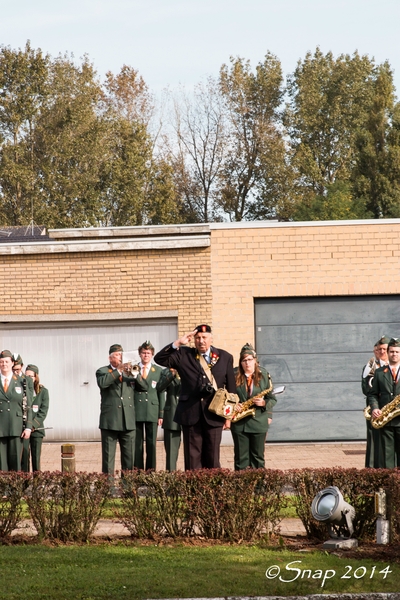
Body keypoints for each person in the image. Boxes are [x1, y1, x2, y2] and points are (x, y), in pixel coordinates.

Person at [154, 324, 236, 470]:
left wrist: (228, 417)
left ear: (211, 338)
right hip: (190, 414)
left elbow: (232, 390)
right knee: (192, 458)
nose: (201, 341)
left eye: (204, 337)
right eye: (197, 338)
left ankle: (212, 491)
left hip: (214, 414)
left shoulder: (225, 357)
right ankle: (193, 491)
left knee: (213, 458)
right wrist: (178, 343)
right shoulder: (184, 355)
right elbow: (159, 359)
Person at [229, 343, 277, 470]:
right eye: (244, 360)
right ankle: (242, 488)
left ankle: (259, 488)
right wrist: (234, 404)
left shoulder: (264, 375)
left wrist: (264, 404)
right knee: (240, 458)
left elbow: (272, 398)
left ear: (255, 360)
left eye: (250, 359)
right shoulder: (233, 374)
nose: (247, 363)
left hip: (258, 422)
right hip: (240, 423)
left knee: (258, 458)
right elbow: (225, 395)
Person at [96, 344, 137, 474]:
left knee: (129, 457)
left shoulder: (129, 372)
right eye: (117, 354)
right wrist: (118, 370)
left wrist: (137, 374)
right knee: (108, 458)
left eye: (121, 354)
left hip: (128, 421)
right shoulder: (102, 371)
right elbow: (103, 383)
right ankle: (108, 487)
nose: (120, 357)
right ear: (110, 358)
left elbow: (143, 386)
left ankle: (128, 487)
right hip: (110, 421)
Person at [367, 337, 400, 469]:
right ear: (388, 352)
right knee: (387, 458)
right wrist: (375, 408)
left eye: (397, 352)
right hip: (386, 420)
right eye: (391, 351)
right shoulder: (380, 373)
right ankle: (389, 487)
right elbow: (372, 394)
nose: (394, 354)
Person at [133, 341, 166, 471]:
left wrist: (161, 413)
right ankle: (138, 471)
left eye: (148, 353)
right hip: (137, 409)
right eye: (143, 353)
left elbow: (161, 392)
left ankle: (150, 472)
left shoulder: (158, 370)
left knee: (152, 444)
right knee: (137, 444)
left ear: (152, 354)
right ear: (139, 354)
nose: (146, 355)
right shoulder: (133, 368)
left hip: (152, 409)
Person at [0, 349, 33, 471]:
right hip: (0, 428)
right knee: (1, 464)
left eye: (7, 361)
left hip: (16, 426)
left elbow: (28, 405)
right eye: (2, 362)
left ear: (12, 363)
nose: (4, 364)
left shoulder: (22, 381)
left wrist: (28, 427)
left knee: (16, 465)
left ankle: (15, 490)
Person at [362, 335, 389, 468]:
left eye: (384, 349)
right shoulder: (371, 367)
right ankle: (373, 469)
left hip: (391, 409)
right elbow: (366, 388)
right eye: (379, 349)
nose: (381, 352)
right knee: (374, 440)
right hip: (376, 407)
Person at [21, 364, 49, 472]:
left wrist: (32, 425)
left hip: (37, 430)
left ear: (36, 377)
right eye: (26, 376)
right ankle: (25, 484)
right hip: (24, 430)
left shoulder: (43, 391)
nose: (28, 379)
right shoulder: (21, 390)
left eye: (31, 376)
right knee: (24, 458)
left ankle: (37, 483)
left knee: (36, 458)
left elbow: (43, 411)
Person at [157, 368, 182, 471]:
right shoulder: (166, 372)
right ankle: (171, 477)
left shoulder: (191, 367)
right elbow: (160, 388)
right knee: (171, 449)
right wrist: (171, 375)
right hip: (172, 412)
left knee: (193, 449)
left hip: (189, 413)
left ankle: (192, 477)